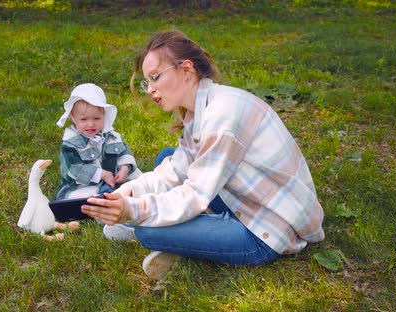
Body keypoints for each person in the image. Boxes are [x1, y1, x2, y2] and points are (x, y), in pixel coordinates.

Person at [82, 30, 325, 280]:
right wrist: (129, 191)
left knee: (147, 232)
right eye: (147, 82)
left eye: (155, 77)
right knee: (167, 156)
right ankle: (187, 235)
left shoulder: (222, 116)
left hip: (267, 231)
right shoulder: (202, 108)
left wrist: (132, 211)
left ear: (186, 70)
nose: (151, 90)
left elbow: (195, 194)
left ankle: (177, 237)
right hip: (241, 197)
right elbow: (176, 170)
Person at [55, 83, 141, 200]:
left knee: (140, 184)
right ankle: (105, 198)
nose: (91, 124)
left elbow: (124, 153)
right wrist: (102, 174)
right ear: (73, 118)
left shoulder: (112, 136)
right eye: (84, 119)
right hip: (84, 184)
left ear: (104, 115)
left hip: (114, 178)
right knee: (82, 198)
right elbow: (73, 169)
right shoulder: (70, 144)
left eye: (96, 118)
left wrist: (125, 168)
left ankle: (121, 194)